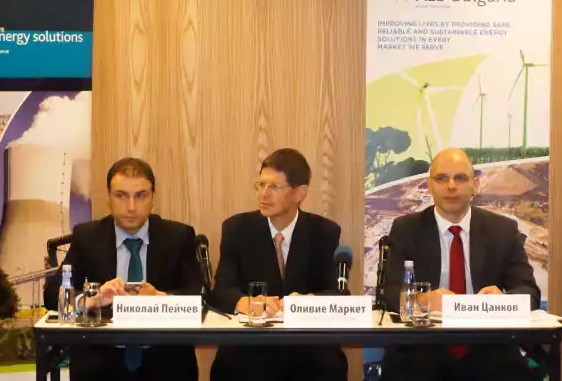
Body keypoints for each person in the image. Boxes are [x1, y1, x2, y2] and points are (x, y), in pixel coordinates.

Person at [381, 148, 541, 381]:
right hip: (423, 347)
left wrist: (503, 301)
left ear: (474, 185)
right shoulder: (406, 230)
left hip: (488, 346)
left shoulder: (502, 230)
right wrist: (422, 300)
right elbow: (389, 292)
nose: (452, 186)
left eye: (460, 178)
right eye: (442, 178)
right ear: (430, 186)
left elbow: (529, 292)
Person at [44, 157, 201, 381]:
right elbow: (51, 295)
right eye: (121, 195)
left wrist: (160, 298)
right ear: (109, 198)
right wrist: (90, 299)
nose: (131, 207)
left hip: (165, 363)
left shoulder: (178, 237)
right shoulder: (87, 237)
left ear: (153, 197)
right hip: (100, 364)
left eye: (141, 196)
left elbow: (198, 296)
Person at [209, 148, 348, 381]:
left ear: (299, 193)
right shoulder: (237, 229)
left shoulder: (323, 232)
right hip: (251, 344)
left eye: (274, 187)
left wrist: (308, 302)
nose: (264, 194)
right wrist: (245, 302)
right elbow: (221, 290)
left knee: (329, 365)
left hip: (306, 345)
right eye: (260, 185)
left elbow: (337, 293)